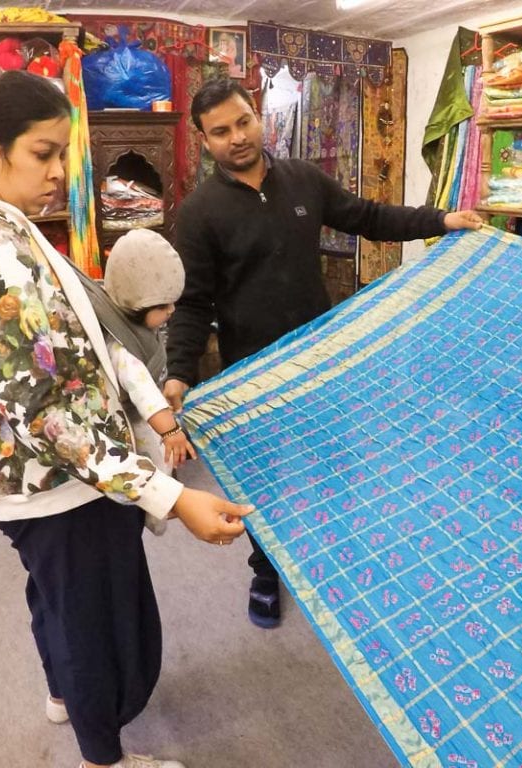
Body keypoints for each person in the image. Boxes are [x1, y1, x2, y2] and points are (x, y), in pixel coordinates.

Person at [0, 70, 252, 768]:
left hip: (28, 476)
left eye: (63, 154)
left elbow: (72, 344)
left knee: (61, 602)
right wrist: (172, 496)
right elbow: (48, 415)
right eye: (44, 153)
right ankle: (105, 758)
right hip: (53, 481)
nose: (60, 172)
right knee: (93, 623)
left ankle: (66, 696)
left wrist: (146, 405)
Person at [163, 77, 484, 629]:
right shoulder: (199, 213)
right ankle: (266, 570)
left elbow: (368, 217)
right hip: (253, 374)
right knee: (265, 479)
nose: (237, 137)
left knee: (335, 463)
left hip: (323, 364)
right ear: (203, 139)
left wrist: (441, 221)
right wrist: (178, 375)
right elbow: (193, 304)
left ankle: (336, 557)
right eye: (220, 131)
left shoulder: (303, 179)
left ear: (257, 115)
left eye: (243, 122)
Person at [102, 228, 197, 535]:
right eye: (161, 307)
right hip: (135, 426)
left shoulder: (133, 324)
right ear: (134, 304)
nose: (171, 312)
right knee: (155, 466)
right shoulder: (121, 346)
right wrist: (170, 431)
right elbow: (142, 390)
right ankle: (159, 511)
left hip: (146, 415)